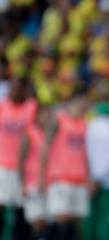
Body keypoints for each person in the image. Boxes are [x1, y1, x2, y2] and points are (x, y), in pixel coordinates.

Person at [40, 91, 92, 240]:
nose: (87, 107)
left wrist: (88, 178)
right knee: (60, 220)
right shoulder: (59, 119)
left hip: (79, 179)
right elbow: (45, 147)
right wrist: (42, 177)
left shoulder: (84, 123)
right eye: (85, 102)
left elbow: (85, 153)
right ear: (77, 100)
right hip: (60, 178)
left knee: (75, 222)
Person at [0, 77, 36, 240]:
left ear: (24, 91)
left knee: (21, 209)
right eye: (11, 88)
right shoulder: (3, 107)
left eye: (17, 88)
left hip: (23, 168)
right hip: (3, 165)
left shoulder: (31, 108)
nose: (13, 91)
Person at [83, 101, 109, 240]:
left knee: (89, 217)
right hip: (108, 180)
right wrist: (100, 177)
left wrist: (93, 177)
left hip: (90, 180)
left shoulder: (90, 127)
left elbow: (86, 153)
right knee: (104, 219)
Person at [18, 104, 51, 239]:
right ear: (37, 116)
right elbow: (21, 159)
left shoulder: (51, 135)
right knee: (36, 220)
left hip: (48, 182)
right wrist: (23, 184)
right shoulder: (30, 133)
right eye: (43, 115)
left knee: (45, 219)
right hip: (32, 181)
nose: (46, 118)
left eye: (48, 116)